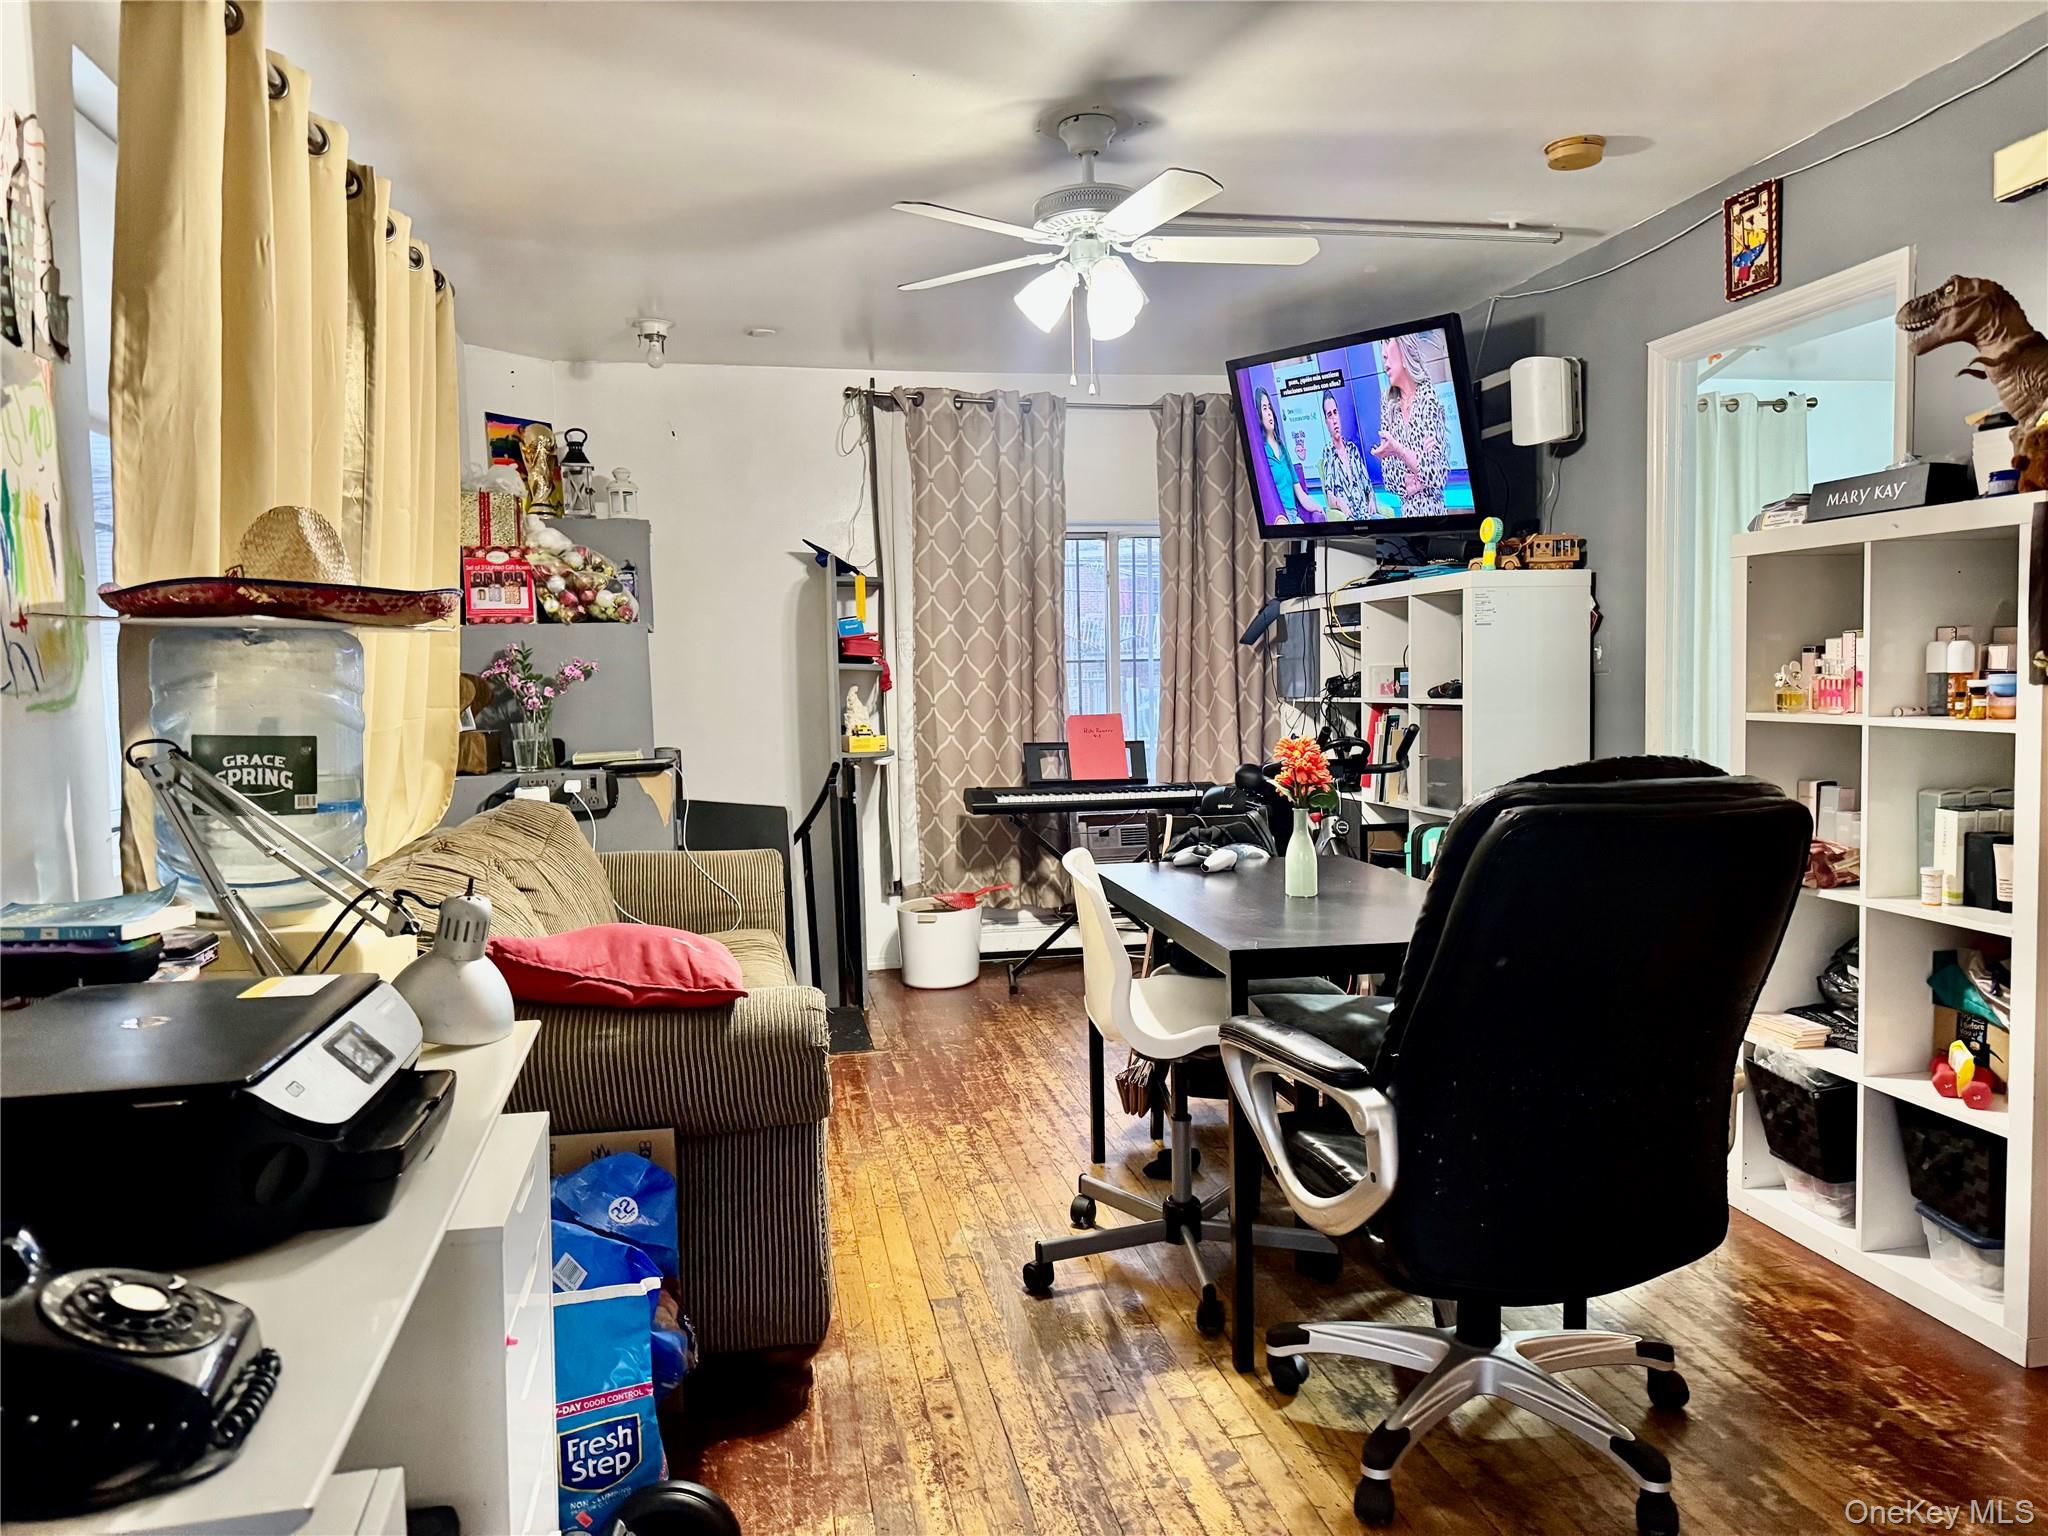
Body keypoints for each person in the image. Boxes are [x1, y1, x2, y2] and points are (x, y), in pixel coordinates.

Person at [1371, 334, 1450, 518]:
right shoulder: (1388, 402)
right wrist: (1417, 470)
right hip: (1407, 520)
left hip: (1436, 519)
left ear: (1404, 348)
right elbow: (1389, 478)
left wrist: (1398, 450)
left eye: (1387, 341)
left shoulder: (1426, 396)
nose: (1383, 354)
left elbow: (1438, 475)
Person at [1255, 386, 1324, 523]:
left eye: (1269, 407)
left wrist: (1319, 507)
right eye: (1264, 408)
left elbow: (1300, 493)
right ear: (1258, 415)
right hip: (1278, 519)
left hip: (1293, 517)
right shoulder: (1261, 452)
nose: (1269, 413)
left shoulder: (1282, 448)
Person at [1316, 389, 1377, 520]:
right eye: (1329, 415)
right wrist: (1340, 504)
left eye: (1335, 413)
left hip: (1368, 517)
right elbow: (1330, 495)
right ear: (1326, 422)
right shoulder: (1328, 452)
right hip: (1349, 520)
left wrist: (1371, 500)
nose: (1334, 420)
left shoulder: (1352, 449)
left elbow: (1368, 487)